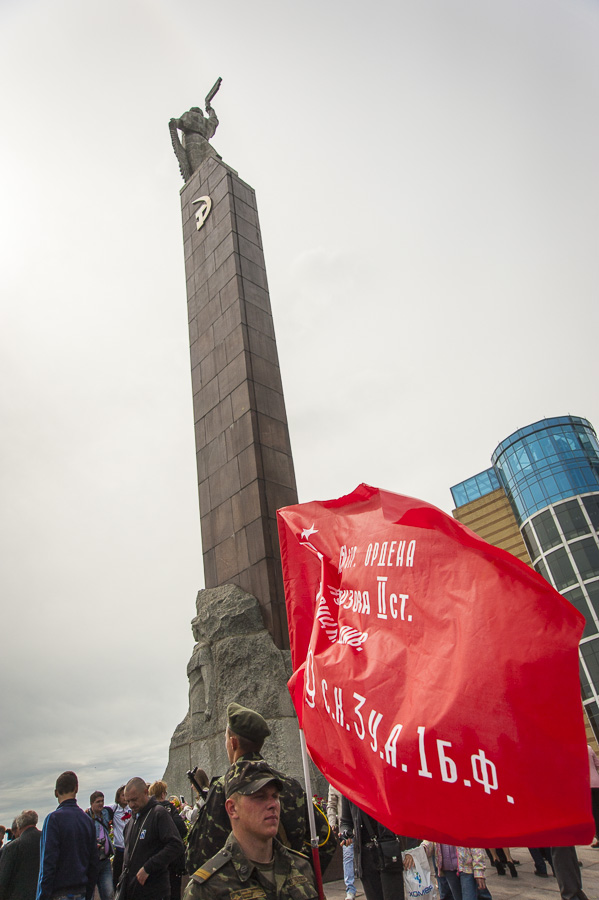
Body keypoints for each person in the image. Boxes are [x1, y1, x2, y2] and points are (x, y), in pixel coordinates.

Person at [186, 703, 306, 873]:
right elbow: (324, 840)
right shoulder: (290, 784)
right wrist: (298, 877)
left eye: (226, 740)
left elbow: (198, 857)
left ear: (233, 742)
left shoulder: (224, 787)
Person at [183, 759, 316, 900]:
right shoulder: (205, 889)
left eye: (275, 796)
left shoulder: (301, 867)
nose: (272, 804)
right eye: (260, 797)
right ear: (232, 808)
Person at [36, 770, 99, 900]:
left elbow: (48, 863)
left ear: (55, 792)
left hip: (59, 892)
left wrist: (42, 896)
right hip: (81, 890)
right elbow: (93, 862)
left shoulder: (53, 820)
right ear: (76, 788)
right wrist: (88, 893)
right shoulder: (87, 820)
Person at [122, 777, 185, 900]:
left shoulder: (159, 814)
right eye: (128, 801)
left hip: (155, 891)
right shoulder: (131, 822)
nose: (131, 805)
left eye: (134, 800)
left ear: (145, 793)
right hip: (133, 891)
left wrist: (148, 867)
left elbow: (176, 845)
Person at [340, 798, 412, 900]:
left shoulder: (385, 782)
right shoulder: (349, 786)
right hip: (365, 857)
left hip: (388, 852)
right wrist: (345, 832)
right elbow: (346, 821)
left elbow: (407, 812)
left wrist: (410, 850)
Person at [405, 843, 487, 900]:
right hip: (448, 869)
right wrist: (415, 854)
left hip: (467, 869)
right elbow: (430, 842)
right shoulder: (438, 822)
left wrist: (479, 870)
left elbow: (476, 845)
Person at [148, 782, 187, 900]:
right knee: (175, 892)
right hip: (173, 860)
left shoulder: (150, 811)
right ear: (163, 794)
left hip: (156, 861)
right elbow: (182, 828)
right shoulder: (170, 808)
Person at [0, 810, 41, 900]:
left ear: (19, 826)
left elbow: (3, 881)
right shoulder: (47, 840)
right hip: (44, 894)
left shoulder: (12, 847)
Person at [327, 786, 356, 900]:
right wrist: (332, 823)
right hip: (346, 828)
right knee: (348, 856)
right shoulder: (334, 783)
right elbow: (331, 805)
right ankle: (350, 889)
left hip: (361, 827)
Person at [86, 792, 114, 900]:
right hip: (92, 861)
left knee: (108, 893)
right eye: (98, 802)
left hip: (105, 859)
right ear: (92, 803)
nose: (101, 804)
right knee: (90, 894)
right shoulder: (86, 817)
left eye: (102, 801)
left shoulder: (107, 812)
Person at [107, 786, 131, 889]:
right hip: (120, 850)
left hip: (130, 849)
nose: (125, 798)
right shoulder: (114, 809)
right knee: (116, 878)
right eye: (122, 795)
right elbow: (102, 809)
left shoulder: (131, 808)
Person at [588, 744, 599, 848]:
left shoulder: (574, 749)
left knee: (594, 813)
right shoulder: (589, 748)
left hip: (586, 786)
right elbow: (597, 764)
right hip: (597, 783)